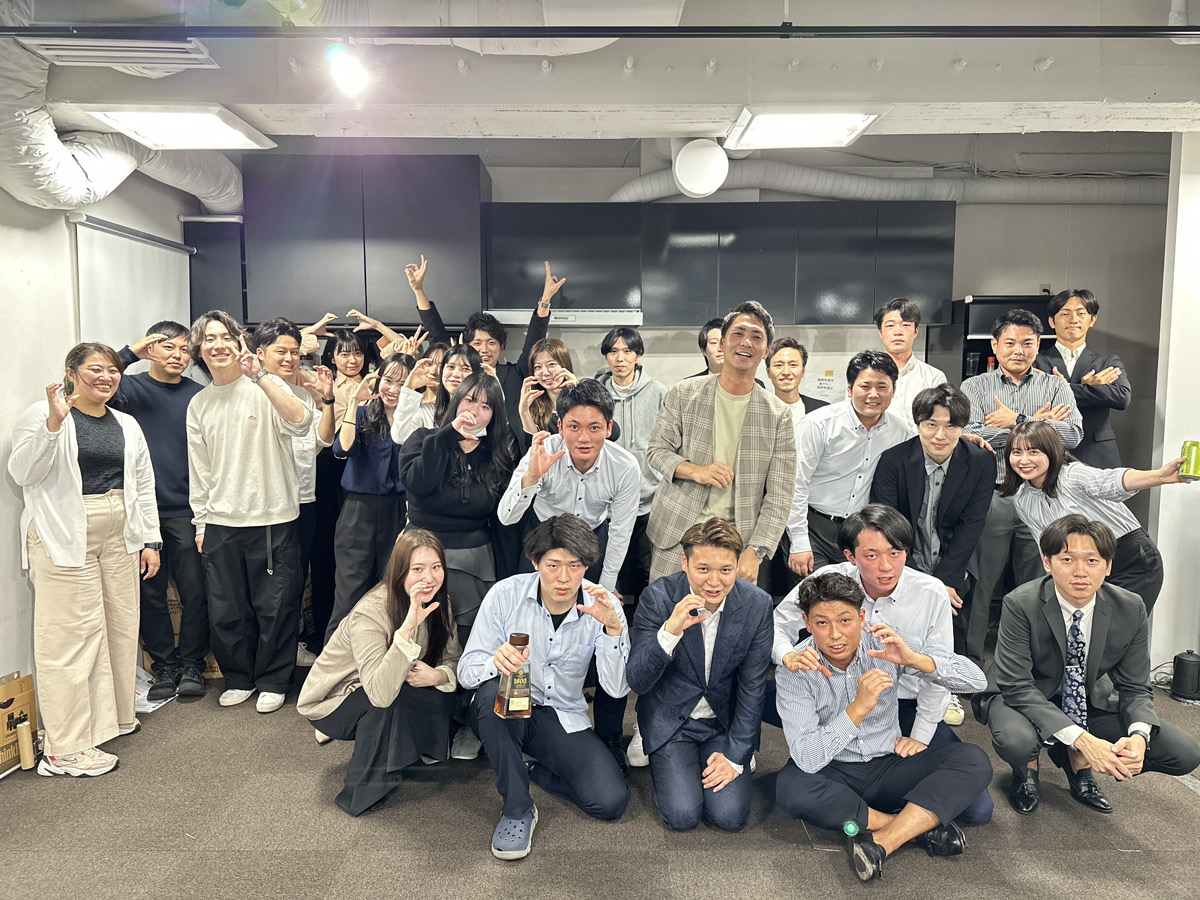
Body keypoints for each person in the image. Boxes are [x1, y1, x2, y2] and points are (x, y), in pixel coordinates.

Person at [771, 506, 993, 824]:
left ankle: (877, 820)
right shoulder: (826, 583)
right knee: (793, 777)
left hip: (906, 707)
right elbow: (778, 624)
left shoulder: (922, 602)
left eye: (895, 553)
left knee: (976, 807)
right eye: (872, 555)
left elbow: (969, 680)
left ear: (861, 617)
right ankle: (907, 822)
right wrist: (787, 657)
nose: (885, 566)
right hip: (833, 708)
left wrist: (920, 732)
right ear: (851, 556)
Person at [973, 515, 1200, 817]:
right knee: (1018, 741)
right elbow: (1017, 685)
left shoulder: (1130, 607)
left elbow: (1135, 687)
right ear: (1047, 562)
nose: (1080, 571)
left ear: (1108, 566)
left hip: (1086, 697)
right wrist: (1083, 739)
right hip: (1021, 695)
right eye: (1067, 559)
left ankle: (1070, 755)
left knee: (1184, 754)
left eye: (1092, 560)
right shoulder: (1020, 603)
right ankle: (1027, 770)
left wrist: (1138, 737)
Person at [774, 572, 990, 882]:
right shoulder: (796, 668)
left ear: (862, 617)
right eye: (822, 623)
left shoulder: (884, 641)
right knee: (791, 788)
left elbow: (977, 680)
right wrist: (857, 709)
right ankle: (912, 827)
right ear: (807, 624)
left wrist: (915, 660)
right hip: (834, 768)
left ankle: (882, 839)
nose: (835, 635)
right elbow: (807, 758)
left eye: (845, 620)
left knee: (973, 760)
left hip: (888, 764)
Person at [10, 342, 160, 777]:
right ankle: (64, 749)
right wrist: (53, 425)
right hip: (63, 531)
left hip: (120, 529)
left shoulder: (126, 423)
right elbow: (22, 473)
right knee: (70, 637)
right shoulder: (42, 415)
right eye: (96, 369)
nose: (106, 377)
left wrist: (150, 539)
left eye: (113, 370)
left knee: (120, 627)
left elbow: (142, 482)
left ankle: (113, 718)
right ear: (71, 373)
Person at [458, 515, 631, 860]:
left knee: (610, 801)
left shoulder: (603, 607)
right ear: (535, 562)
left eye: (575, 565)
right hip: (506, 707)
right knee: (493, 692)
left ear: (587, 566)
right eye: (553, 565)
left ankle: (532, 767)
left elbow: (615, 689)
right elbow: (466, 672)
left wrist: (613, 632)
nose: (564, 577)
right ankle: (518, 807)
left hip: (562, 715)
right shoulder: (505, 595)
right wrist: (495, 662)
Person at [497, 379, 641, 770]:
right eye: (574, 426)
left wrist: (604, 590)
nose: (584, 437)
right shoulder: (543, 452)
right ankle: (518, 719)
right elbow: (506, 516)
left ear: (609, 428)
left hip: (592, 543)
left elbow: (621, 531)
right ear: (560, 425)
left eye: (594, 427)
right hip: (543, 539)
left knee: (610, 635)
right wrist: (531, 477)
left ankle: (608, 734)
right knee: (524, 630)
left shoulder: (624, 466)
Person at [185, 310, 312, 714]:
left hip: (273, 515)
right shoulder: (199, 403)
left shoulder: (265, 384)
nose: (218, 345)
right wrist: (201, 522)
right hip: (221, 519)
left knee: (276, 605)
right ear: (199, 349)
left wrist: (260, 376)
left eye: (226, 336)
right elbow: (199, 469)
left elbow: (301, 421)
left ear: (240, 343)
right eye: (209, 339)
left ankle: (274, 680)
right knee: (226, 607)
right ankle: (239, 677)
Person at [297, 530, 461, 816]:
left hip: (389, 685)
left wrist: (438, 676)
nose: (429, 578)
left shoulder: (440, 603)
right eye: (418, 569)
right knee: (386, 706)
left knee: (443, 694)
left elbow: (454, 659)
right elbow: (380, 693)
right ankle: (361, 792)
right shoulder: (371, 612)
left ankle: (412, 751)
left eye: (436, 567)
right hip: (336, 699)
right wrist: (407, 628)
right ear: (400, 571)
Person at [626, 518, 772, 832]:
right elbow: (637, 680)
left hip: (723, 721)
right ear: (685, 562)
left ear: (737, 565)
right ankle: (661, 753)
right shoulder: (658, 598)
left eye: (726, 569)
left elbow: (753, 687)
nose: (714, 582)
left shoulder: (757, 604)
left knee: (730, 818)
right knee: (682, 816)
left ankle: (734, 753)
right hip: (672, 719)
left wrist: (736, 753)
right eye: (703, 568)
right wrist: (670, 631)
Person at [959, 308, 1082, 667]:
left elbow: (1074, 434)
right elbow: (968, 435)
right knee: (982, 583)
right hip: (994, 496)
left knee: (1037, 583)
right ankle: (969, 664)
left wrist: (1017, 421)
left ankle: (1027, 662)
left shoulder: (1055, 386)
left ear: (1038, 345)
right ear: (995, 345)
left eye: (1027, 343)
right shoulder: (974, 387)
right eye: (1010, 342)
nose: (1018, 350)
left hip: (1044, 497)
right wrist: (1040, 428)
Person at [647, 301, 795, 584]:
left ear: (766, 350)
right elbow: (656, 451)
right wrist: (697, 471)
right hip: (678, 533)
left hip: (737, 543)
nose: (746, 342)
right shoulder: (684, 393)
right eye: (738, 333)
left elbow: (780, 494)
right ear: (723, 342)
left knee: (729, 613)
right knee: (667, 608)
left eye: (756, 336)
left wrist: (756, 550)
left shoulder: (778, 415)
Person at [111, 323, 209, 702]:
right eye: (168, 347)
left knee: (195, 591)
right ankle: (164, 666)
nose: (178, 356)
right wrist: (129, 353)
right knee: (150, 593)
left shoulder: (199, 395)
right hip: (139, 510)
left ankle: (193, 664)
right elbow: (85, 387)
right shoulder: (128, 388)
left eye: (184, 350)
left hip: (185, 509)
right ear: (151, 349)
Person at [1000, 420, 1185, 615]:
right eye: (1016, 452)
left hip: (1130, 561)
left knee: (1117, 628)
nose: (1024, 460)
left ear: (1051, 452)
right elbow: (1045, 545)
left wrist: (1160, 476)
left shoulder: (1072, 475)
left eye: (1033, 452)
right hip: (1083, 567)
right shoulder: (1022, 498)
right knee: (1083, 628)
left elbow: (1114, 480)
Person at [870, 384, 996, 667]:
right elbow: (888, 526)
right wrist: (920, 582)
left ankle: (958, 679)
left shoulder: (980, 461)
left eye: (951, 426)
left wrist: (943, 583)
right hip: (904, 560)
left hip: (955, 563)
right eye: (931, 424)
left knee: (956, 638)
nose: (940, 435)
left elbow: (971, 524)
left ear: (962, 427)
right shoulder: (893, 460)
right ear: (918, 424)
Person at [404, 254, 563, 442]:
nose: (484, 349)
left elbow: (534, 338)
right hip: (467, 448)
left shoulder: (514, 375)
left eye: (491, 343)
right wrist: (418, 290)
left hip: (510, 452)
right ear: (467, 346)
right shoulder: (460, 375)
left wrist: (546, 299)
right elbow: (436, 333)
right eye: (477, 343)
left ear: (502, 348)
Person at [787, 350, 907, 578]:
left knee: (857, 595)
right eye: (865, 386)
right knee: (815, 595)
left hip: (860, 532)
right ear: (850, 389)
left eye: (882, 386)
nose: (873, 394)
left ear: (893, 390)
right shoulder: (819, 424)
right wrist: (799, 541)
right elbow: (795, 484)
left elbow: (928, 444)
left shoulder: (900, 431)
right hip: (813, 526)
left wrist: (964, 439)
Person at [325, 355, 411, 640]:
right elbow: (342, 448)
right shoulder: (363, 414)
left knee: (392, 592)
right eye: (389, 380)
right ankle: (333, 661)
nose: (394, 389)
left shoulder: (415, 420)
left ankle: (382, 658)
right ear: (377, 380)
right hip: (358, 511)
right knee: (349, 591)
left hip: (399, 513)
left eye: (403, 383)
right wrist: (353, 402)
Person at [596, 326, 669, 605]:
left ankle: (643, 625)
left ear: (638, 356)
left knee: (645, 572)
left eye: (627, 351)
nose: (620, 358)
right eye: (613, 351)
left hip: (647, 502)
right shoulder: (597, 394)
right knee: (608, 573)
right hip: (606, 503)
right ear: (606, 357)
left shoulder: (659, 392)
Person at [1034, 288, 1131, 467]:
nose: (1073, 319)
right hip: (1049, 451)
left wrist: (1061, 386)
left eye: (1081, 313)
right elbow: (1033, 398)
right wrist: (1089, 387)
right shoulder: (1035, 361)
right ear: (1052, 321)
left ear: (1092, 320)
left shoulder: (1108, 361)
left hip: (1097, 453)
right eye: (1065, 313)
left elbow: (1122, 397)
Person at [762, 336, 828, 596]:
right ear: (768, 371)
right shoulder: (755, 410)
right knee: (762, 589)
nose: (786, 371)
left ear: (803, 370)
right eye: (778, 365)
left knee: (807, 591)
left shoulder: (822, 413)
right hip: (763, 511)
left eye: (793, 364)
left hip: (808, 516)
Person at [874, 298, 947, 436]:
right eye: (890, 325)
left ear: (916, 331)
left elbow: (941, 421)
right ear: (880, 332)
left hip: (919, 447)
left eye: (905, 325)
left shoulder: (934, 378)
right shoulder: (865, 376)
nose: (898, 332)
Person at [390, 344, 484, 446]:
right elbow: (400, 437)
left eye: (465, 369)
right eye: (451, 367)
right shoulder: (428, 412)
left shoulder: (483, 412)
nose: (456, 374)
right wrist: (409, 388)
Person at [518, 338, 578, 437]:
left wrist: (580, 395)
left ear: (565, 365)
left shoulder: (585, 398)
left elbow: (608, 434)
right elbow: (532, 444)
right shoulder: (533, 406)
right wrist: (524, 411)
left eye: (551, 364)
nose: (545, 373)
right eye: (538, 367)